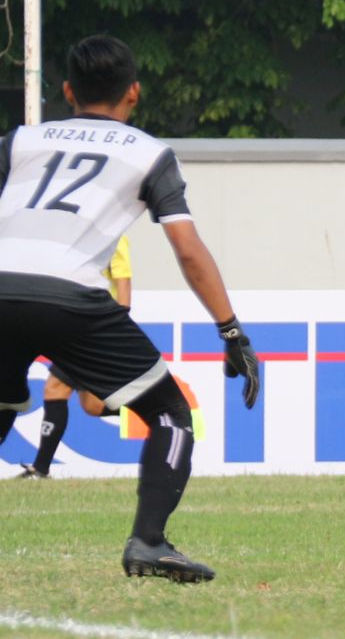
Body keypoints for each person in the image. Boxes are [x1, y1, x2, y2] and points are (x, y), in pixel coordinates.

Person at [0, 35, 261, 582]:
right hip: (69, 294)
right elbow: (188, 250)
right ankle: (148, 542)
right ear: (134, 94)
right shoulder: (148, 153)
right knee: (169, 413)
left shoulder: (20, 140)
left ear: (67, 91)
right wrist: (231, 331)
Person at [16, 235, 132, 479]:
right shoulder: (77, 236)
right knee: (92, 406)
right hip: (76, 322)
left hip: (97, 326)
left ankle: (40, 469)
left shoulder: (113, 236)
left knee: (54, 389)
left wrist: (118, 324)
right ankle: (154, 410)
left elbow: (123, 280)